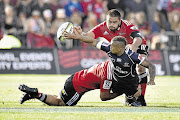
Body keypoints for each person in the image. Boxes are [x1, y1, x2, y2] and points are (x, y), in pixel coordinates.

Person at [73, 9, 150, 106]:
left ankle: (141, 99)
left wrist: (133, 47)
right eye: (110, 22)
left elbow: (138, 37)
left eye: (115, 22)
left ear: (120, 21)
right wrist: (80, 34)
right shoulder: (101, 27)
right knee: (123, 71)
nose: (112, 24)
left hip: (137, 45)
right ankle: (129, 96)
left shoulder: (127, 25)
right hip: (120, 49)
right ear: (106, 20)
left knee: (140, 68)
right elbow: (89, 36)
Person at [64, 32, 156, 106]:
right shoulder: (109, 48)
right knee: (105, 96)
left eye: (112, 46)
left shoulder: (132, 55)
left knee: (135, 104)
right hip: (117, 80)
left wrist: (150, 80)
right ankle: (126, 94)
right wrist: (77, 37)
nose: (110, 47)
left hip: (130, 81)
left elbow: (151, 66)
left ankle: (131, 98)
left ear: (120, 49)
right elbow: (93, 41)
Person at [19, 61, 128, 106]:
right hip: (77, 87)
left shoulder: (109, 64)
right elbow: (103, 97)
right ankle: (35, 94)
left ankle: (33, 94)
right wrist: (121, 92)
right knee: (60, 103)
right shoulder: (108, 76)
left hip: (74, 78)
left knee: (59, 97)